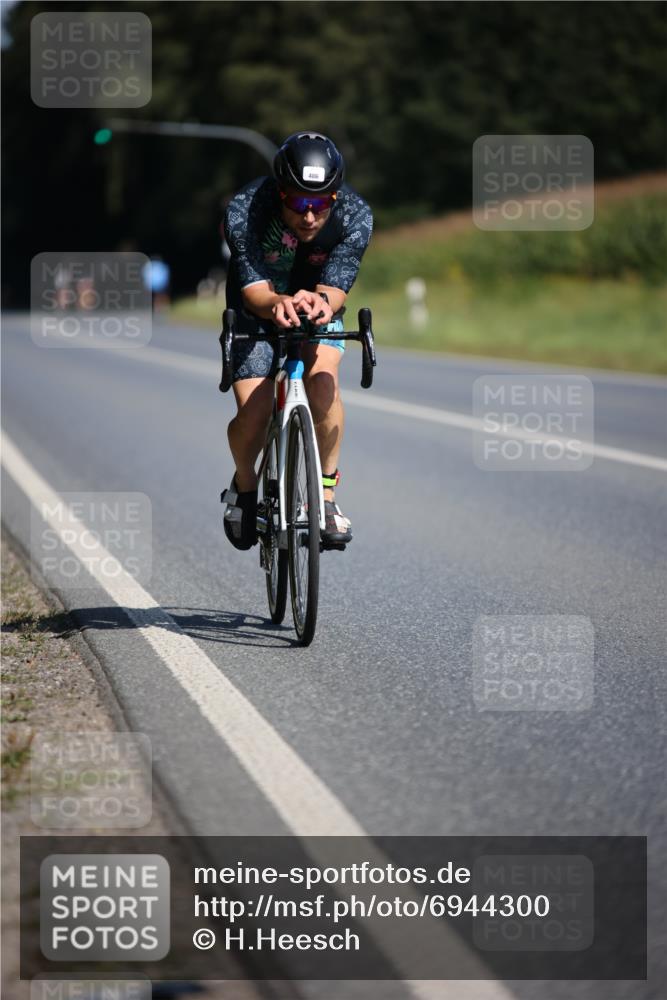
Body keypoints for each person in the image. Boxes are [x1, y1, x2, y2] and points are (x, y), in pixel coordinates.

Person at [221, 131, 373, 551]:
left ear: (336, 198)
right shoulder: (246, 209)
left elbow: (338, 286)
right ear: (280, 192)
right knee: (254, 412)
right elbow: (254, 291)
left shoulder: (357, 216)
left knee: (323, 383)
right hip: (259, 306)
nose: (309, 216)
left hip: (317, 303)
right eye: (299, 203)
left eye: (320, 204)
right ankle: (245, 486)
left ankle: (325, 499)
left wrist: (323, 302)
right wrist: (277, 303)